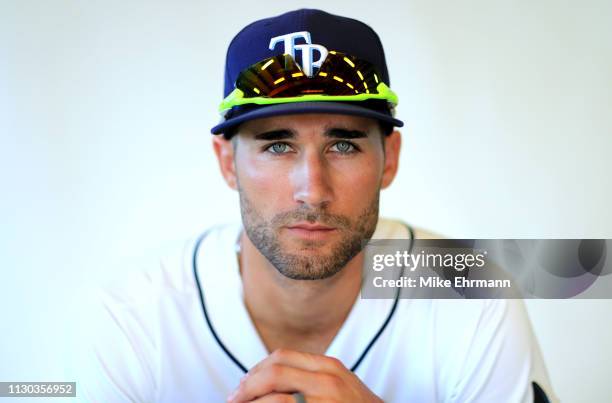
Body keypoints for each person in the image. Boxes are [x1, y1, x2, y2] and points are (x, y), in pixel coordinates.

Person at [77, 8, 558, 402]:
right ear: (228, 162)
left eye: (343, 144)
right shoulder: (133, 311)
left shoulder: (468, 289)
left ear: (389, 158)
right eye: (277, 145)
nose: (312, 189)